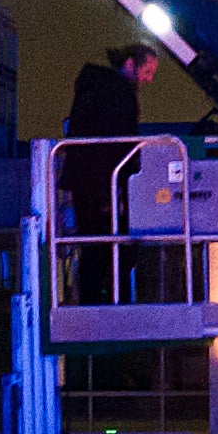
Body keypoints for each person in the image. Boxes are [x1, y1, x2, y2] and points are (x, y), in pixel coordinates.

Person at [58, 46, 157, 301]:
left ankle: (94, 302)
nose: (149, 79)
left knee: (95, 251)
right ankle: (115, 304)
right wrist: (113, 195)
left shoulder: (94, 89)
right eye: (146, 71)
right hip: (103, 191)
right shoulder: (118, 94)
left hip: (89, 188)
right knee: (116, 252)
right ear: (129, 64)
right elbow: (113, 148)